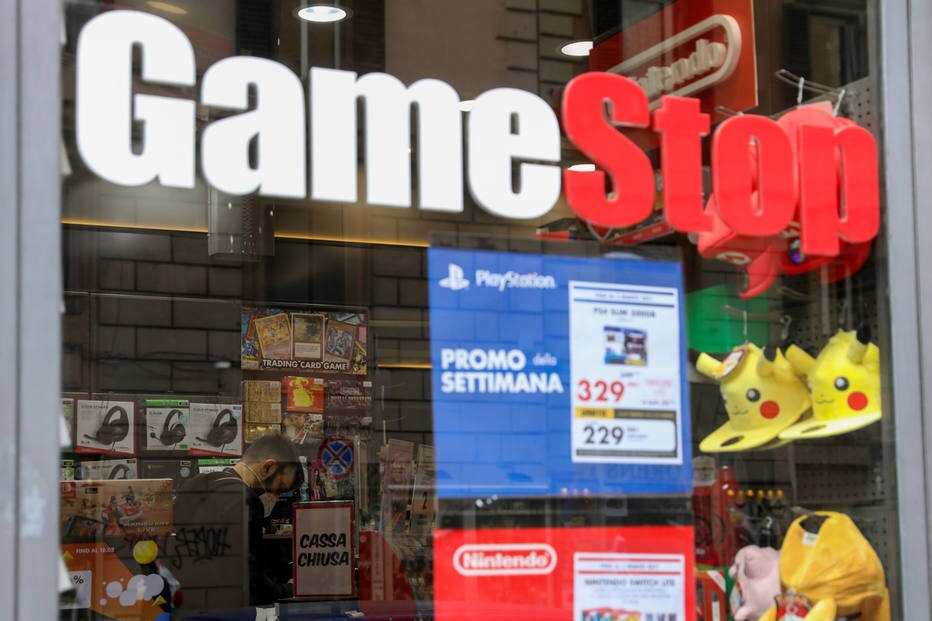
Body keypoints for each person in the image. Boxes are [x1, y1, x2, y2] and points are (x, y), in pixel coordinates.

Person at [171, 434, 304, 618]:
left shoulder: (196, 485)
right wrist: (287, 589)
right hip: (228, 612)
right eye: (279, 488)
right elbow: (250, 581)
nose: (276, 496)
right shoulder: (245, 500)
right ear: (268, 467)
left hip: (188, 608)